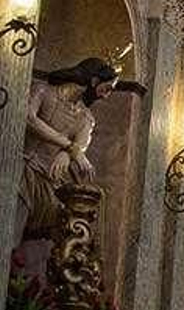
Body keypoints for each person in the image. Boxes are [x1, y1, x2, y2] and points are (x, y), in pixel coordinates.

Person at [15, 55, 144, 246]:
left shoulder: (86, 118)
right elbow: (29, 118)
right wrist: (68, 146)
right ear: (93, 81)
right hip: (19, 167)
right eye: (106, 88)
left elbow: (81, 147)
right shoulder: (42, 90)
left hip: (48, 181)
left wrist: (68, 153)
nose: (106, 95)